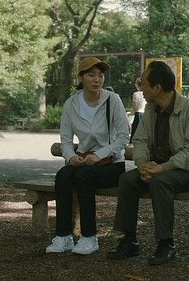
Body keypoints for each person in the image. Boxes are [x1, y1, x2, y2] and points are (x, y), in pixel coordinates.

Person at [106, 60, 189, 266]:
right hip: (156, 166)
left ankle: (166, 243)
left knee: (160, 182)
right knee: (127, 179)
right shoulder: (151, 110)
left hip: (187, 170)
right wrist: (142, 164)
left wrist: (163, 167)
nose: (140, 87)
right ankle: (129, 240)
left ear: (157, 88)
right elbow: (140, 140)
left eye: (143, 83)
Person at [45, 57, 130, 255]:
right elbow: (66, 140)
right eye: (91, 75)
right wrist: (71, 157)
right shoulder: (71, 104)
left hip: (112, 164)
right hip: (84, 161)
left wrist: (100, 154)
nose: (96, 79)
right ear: (81, 77)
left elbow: (123, 138)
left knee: (83, 176)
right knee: (63, 175)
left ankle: (89, 237)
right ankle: (63, 236)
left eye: (100, 75)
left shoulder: (112, 100)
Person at [130, 78, 146, 143]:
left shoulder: (136, 94)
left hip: (138, 114)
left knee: (135, 130)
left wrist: (130, 114)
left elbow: (135, 107)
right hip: (144, 113)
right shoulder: (145, 93)